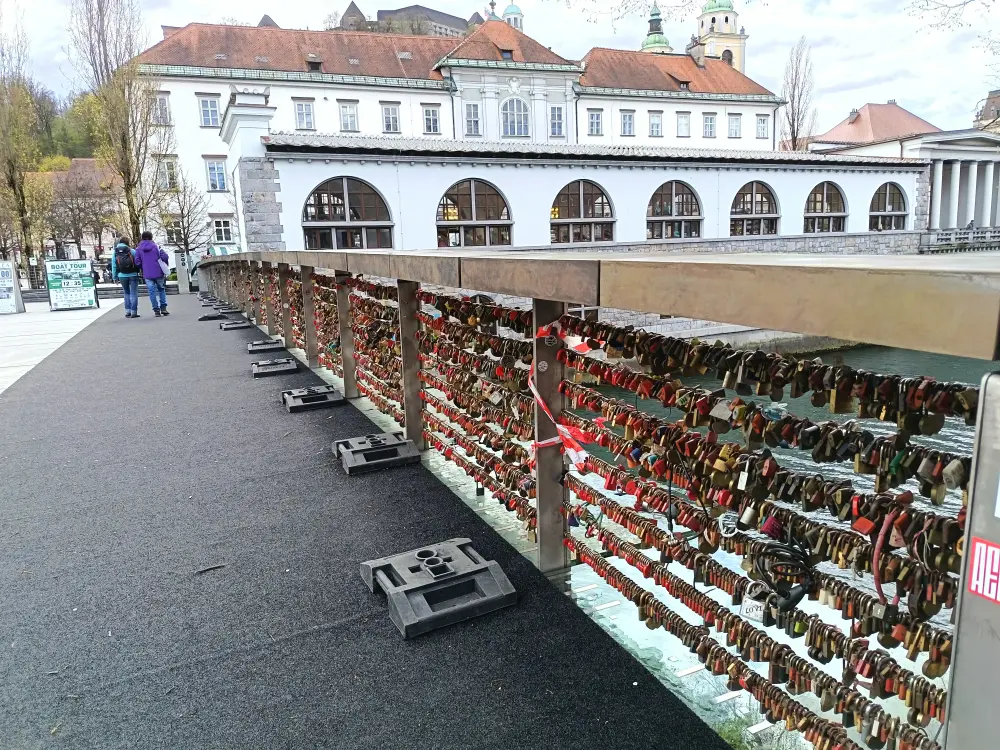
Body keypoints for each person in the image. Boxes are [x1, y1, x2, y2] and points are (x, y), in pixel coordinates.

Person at [134, 231, 171, 317]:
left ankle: (156, 310)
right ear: (151, 237)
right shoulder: (156, 246)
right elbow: (165, 256)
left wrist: (143, 267)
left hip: (147, 273)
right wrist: (164, 263)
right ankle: (163, 308)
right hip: (158, 272)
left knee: (152, 292)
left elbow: (137, 261)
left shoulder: (138, 249)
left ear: (142, 238)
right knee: (161, 289)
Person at [111, 237, 140, 318]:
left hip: (122, 275)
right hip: (133, 274)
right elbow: (138, 262)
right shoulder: (132, 251)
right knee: (134, 293)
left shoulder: (115, 252)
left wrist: (114, 277)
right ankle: (134, 312)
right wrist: (138, 271)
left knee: (126, 292)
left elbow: (114, 265)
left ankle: (128, 311)